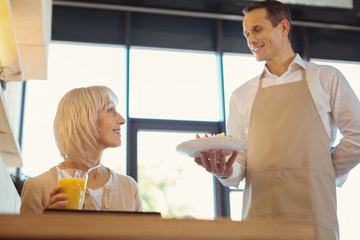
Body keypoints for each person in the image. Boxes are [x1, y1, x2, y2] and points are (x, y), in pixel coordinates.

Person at [194, 1, 360, 239]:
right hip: (259, 218)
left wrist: (324, 169)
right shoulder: (241, 95)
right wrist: (224, 171)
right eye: (246, 34)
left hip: (314, 214)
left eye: (258, 30)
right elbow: (239, 163)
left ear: (283, 27)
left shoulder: (326, 78)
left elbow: (357, 135)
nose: (251, 39)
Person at [21, 86, 142, 214]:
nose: (122, 120)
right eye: (110, 110)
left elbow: (140, 234)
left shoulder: (129, 187)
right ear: (86, 120)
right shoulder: (37, 187)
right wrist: (48, 223)